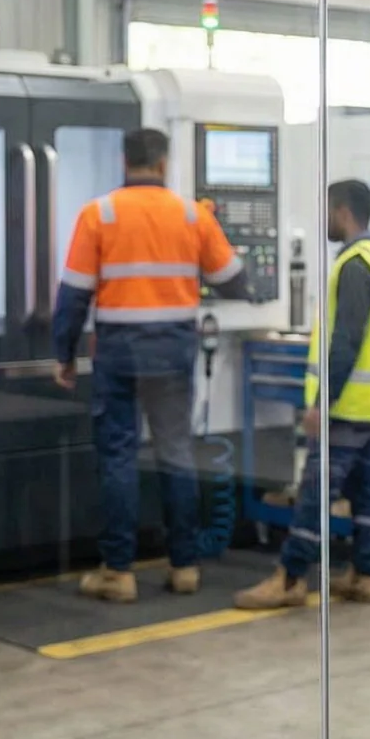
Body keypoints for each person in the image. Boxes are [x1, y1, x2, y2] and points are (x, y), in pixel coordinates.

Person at [53, 127, 254, 603]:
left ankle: (118, 572)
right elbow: (235, 282)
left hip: (119, 352)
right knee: (176, 453)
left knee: (119, 456)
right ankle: (184, 566)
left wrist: (63, 355)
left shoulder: (97, 214)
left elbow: (73, 296)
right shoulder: (193, 215)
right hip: (172, 351)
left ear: (125, 162)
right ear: (163, 163)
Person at [236, 179, 370, 610]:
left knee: (315, 493)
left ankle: (290, 577)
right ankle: (365, 574)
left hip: (347, 406)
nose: (323, 218)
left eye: (326, 209)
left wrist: (320, 404)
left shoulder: (354, 265)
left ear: (343, 211)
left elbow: (345, 341)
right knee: (366, 494)